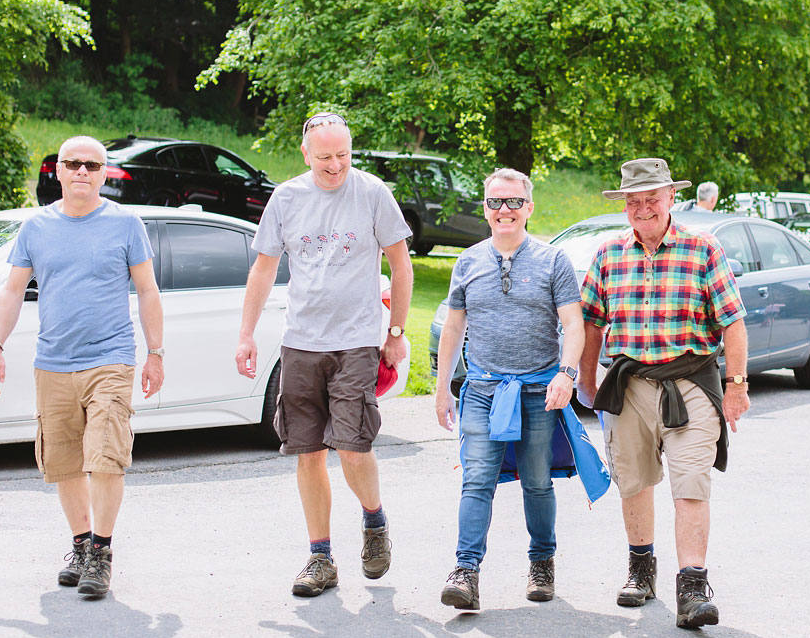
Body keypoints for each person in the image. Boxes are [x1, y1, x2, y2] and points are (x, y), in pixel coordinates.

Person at [235, 111, 414, 598]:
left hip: (356, 341)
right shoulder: (287, 198)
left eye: (343, 155)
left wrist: (395, 331)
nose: (335, 166)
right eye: (325, 158)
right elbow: (263, 270)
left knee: (354, 446)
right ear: (305, 154)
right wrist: (246, 334)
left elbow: (401, 265)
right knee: (307, 451)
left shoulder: (373, 193)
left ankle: (374, 522)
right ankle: (320, 557)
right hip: (301, 344)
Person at [0, 135, 164, 601]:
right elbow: (12, 291)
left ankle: (101, 554)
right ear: (57, 171)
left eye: (92, 165)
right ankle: (81, 547)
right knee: (63, 463)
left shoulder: (126, 225)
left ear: (105, 174)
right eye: (73, 164)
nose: (82, 171)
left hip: (111, 358)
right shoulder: (36, 228)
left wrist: (155, 352)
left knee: (106, 456)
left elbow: (147, 290)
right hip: (53, 361)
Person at [578, 157, 749, 631]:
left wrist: (736, 386)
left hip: (691, 382)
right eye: (633, 201)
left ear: (672, 197)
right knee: (632, 481)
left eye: (651, 199)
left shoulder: (702, 249)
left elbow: (732, 322)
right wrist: (587, 381)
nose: (642, 209)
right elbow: (592, 323)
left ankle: (692, 588)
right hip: (629, 383)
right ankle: (641, 571)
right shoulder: (609, 254)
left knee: (691, 480)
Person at [433, 167, 588, 611]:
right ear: (485, 208)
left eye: (514, 202)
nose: (505, 210)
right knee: (476, 480)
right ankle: (465, 571)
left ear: (529, 208)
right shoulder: (467, 261)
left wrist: (567, 373)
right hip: (482, 390)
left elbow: (573, 324)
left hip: (540, 390)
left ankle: (542, 562)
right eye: (496, 202)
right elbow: (453, 328)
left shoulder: (552, 260)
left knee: (537, 483)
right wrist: (443, 389)